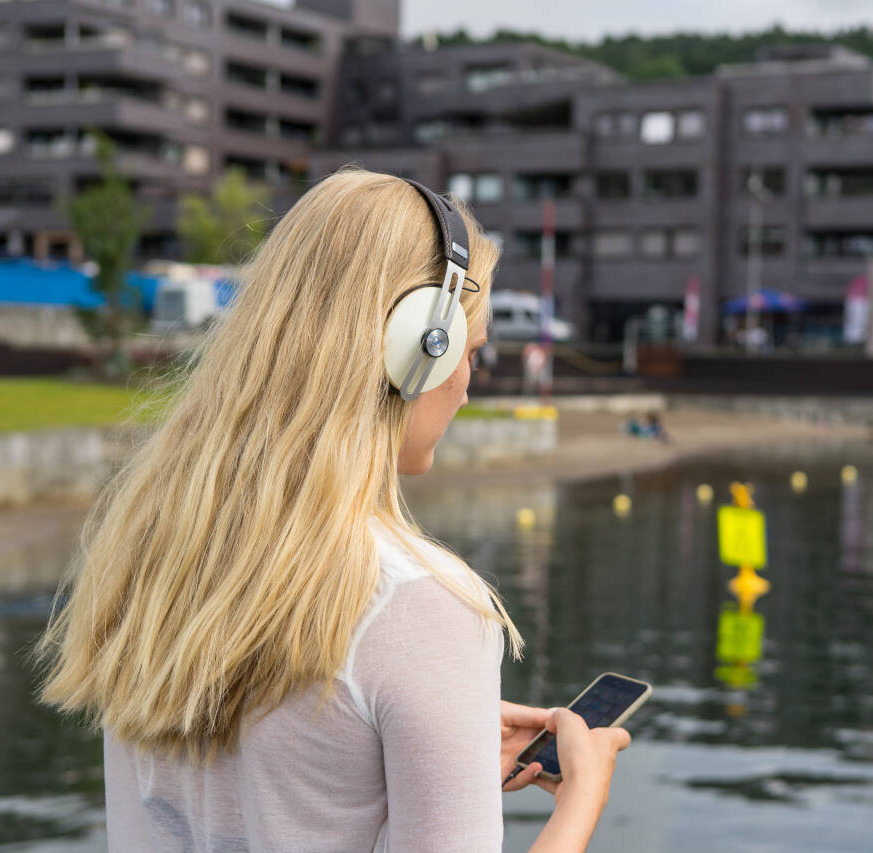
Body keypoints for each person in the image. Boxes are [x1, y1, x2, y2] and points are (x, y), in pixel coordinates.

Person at [35, 168, 632, 851]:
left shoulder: (150, 553)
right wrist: (580, 803)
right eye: (470, 351)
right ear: (416, 348)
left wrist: (426, 735)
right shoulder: (421, 607)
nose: (469, 383)